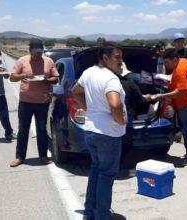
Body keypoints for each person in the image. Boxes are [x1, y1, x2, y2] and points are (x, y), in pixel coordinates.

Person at [71, 42, 127, 220]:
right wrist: (121, 120)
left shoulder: (89, 72)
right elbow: (115, 103)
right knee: (106, 175)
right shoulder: (111, 79)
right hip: (108, 134)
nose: (121, 61)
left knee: (96, 171)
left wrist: (88, 109)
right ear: (105, 58)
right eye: (117, 57)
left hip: (91, 131)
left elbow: (75, 91)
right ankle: (102, 215)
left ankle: (89, 212)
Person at [9, 38, 59, 167]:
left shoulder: (48, 61)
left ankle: (43, 155)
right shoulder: (22, 61)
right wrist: (24, 76)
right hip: (26, 102)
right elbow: (12, 77)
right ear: (30, 50)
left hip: (42, 102)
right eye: (36, 52)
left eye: (40, 52)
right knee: (23, 130)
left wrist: (48, 79)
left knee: (42, 130)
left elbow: (55, 78)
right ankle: (20, 157)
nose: (38, 54)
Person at [152, 48, 187, 164]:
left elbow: (181, 91)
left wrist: (162, 96)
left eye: (167, 63)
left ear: (174, 59)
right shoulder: (184, 61)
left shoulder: (180, 70)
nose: (167, 65)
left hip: (186, 104)